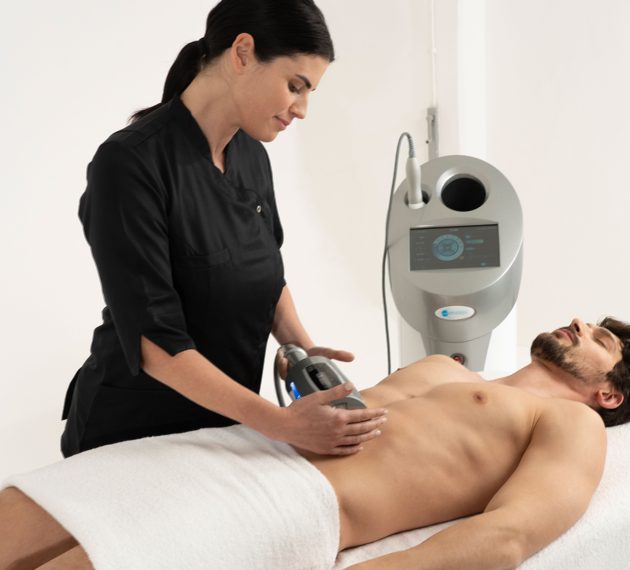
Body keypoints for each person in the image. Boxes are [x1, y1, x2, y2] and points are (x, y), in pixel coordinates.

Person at [2, 316, 630, 569]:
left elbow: (508, 536)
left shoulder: (570, 424)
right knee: (16, 518)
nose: (578, 323)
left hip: (287, 499)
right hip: (232, 446)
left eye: (600, 339)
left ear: (609, 394)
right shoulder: (447, 367)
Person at [60, 0, 387, 458]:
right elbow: (156, 344)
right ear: (242, 53)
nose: (302, 109)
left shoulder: (251, 156)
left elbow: (266, 274)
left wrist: (304, 352)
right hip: (131, 435)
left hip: (224, 430)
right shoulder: (129, 164)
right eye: (295, 86)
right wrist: (283, 424)